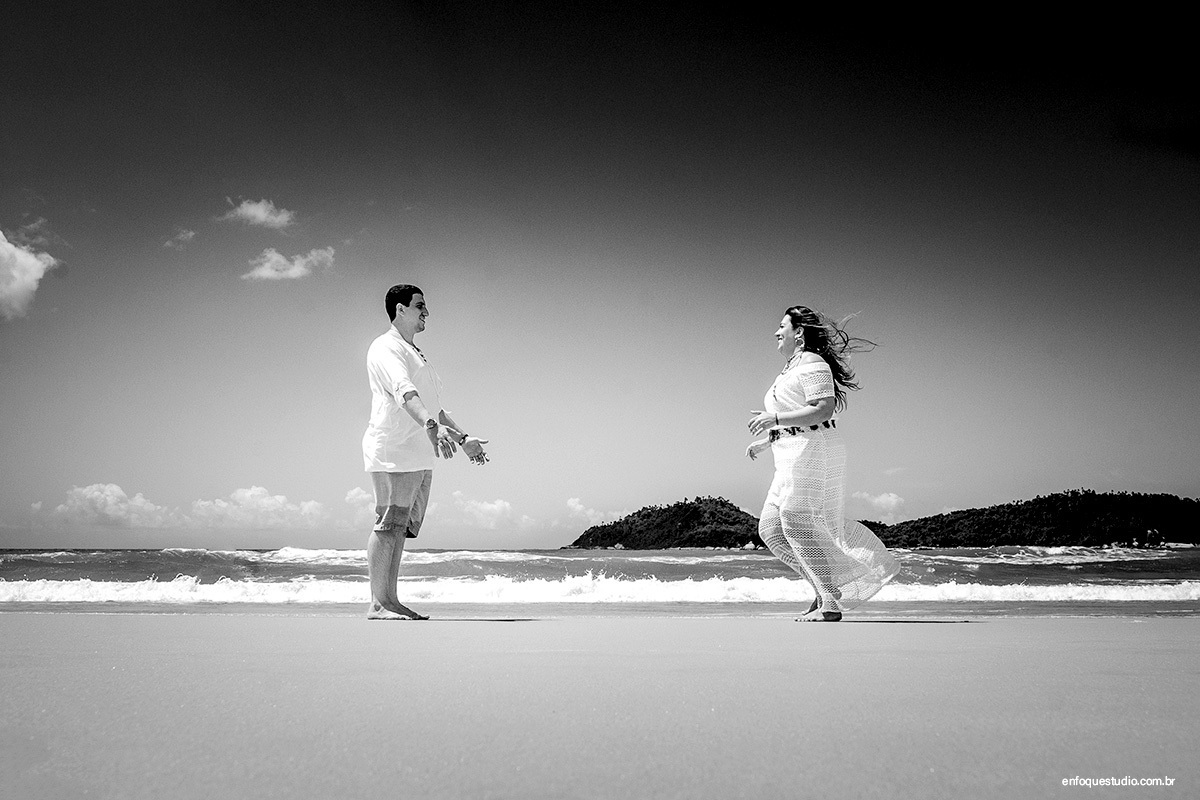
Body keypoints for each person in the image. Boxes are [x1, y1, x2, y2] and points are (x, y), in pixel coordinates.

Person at [746, 305, 898, 621]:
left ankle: (829, 601)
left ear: (798, 332)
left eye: (782, 326)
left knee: (793, 519)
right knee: (771, 530)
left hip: (813, 451)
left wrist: (773, 418)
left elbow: (823, 410)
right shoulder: (790, 369)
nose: (776, 333)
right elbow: (796, 418)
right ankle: (825, 588)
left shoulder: (813, 363)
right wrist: (767, 439)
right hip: (788, 452)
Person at [361, 284, 489, 620]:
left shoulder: (415, 352)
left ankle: (390, 600)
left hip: (419, 451)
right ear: (400, 310)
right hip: (394, 448)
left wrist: (463, 440)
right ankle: (379, 603)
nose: (426, 314)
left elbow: (435, 407)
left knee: (400, 528)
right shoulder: (386, 348)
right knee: (388, 523)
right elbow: (406, 394)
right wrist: (431, 427)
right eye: (420, 307)